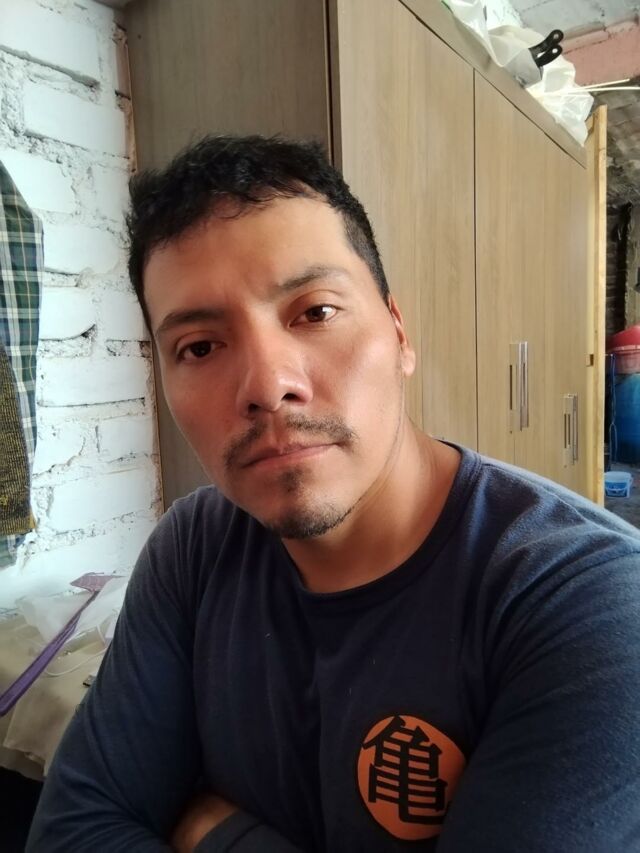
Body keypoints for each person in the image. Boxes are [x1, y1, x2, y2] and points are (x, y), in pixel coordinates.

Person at [27, 136, 640, 852]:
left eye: (315, 312)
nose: (266, 386)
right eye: (199, 347)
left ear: (399, 333)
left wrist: (213, 831)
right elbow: (74, 829)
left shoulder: (590, 605)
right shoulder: (196, 547)